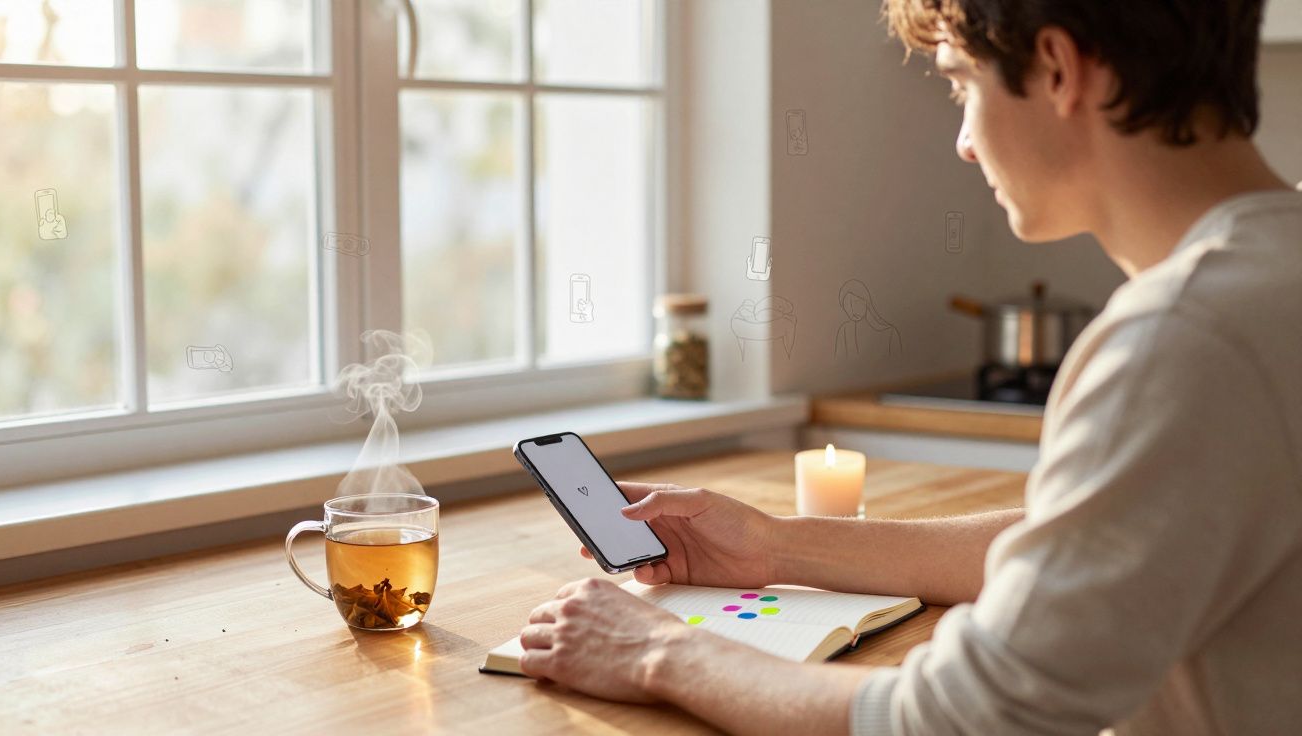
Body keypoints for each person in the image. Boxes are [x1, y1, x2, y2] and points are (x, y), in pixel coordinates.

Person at [518, 1, 1302, 733]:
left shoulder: (1186, 335)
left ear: (1060, 69)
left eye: (962, 84)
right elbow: (1091, 544)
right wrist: (775, 545)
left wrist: (656, 651)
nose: (963, 140)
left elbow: (967, 717)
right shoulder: (1270, 274)